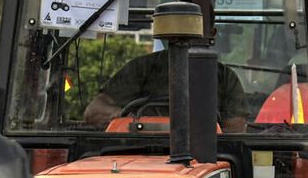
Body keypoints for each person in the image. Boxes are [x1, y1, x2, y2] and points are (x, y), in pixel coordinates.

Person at [83, 47, 248, 130]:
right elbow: (93, 112)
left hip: (205, 156)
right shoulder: (142, 68)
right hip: (135, 152)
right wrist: (124, 117)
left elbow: (235, 128)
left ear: (211, 31)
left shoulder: (224, 76)